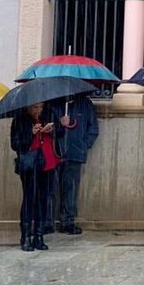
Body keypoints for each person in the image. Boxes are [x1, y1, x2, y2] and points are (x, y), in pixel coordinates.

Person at [11, 101, 62, 253]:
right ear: (28, 106)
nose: (38, 110)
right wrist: (31, 133)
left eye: (40, 107)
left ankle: (39, 236)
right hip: (30, 164)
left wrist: (51, 129)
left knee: (44, 199)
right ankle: (26, 236)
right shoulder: (19, 119)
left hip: (47, 162)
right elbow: (15, 144)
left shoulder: (49, 114)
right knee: (29, 199)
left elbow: (61, 133)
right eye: (35, 107)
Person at [47, 94, 98, 235]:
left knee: (71, 189)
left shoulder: (85, 104)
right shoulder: (52, 104)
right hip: (54, 153)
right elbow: (46, 128)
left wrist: (83, 145)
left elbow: (93, 128)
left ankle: (68, 222)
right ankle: (47, 222)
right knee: (50, 189)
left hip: (75, 153)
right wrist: (59, 125)